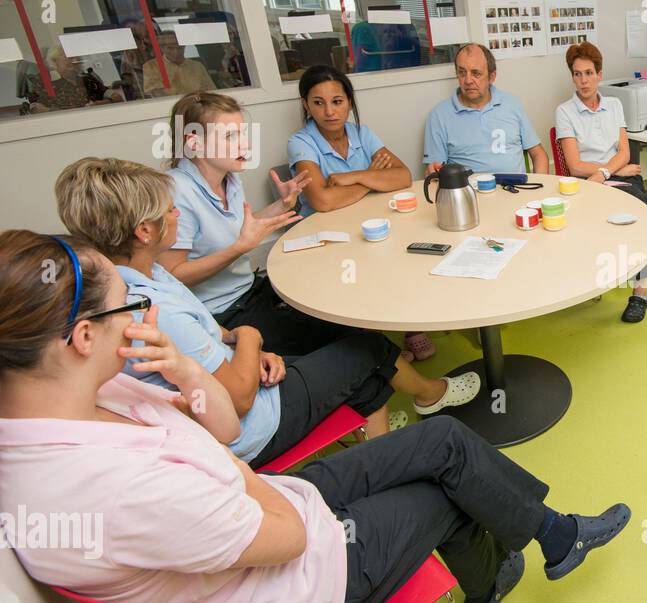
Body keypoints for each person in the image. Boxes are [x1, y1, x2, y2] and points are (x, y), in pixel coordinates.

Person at [0, 230, 632, 603]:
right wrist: (230, 467)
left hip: (274, 504)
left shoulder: (101, 396)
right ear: (84, 336)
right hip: (295, 592)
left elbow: (221, 431)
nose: (146, 318)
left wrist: (189, 373)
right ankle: (495, 576)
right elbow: (289, 537)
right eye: (133, 305)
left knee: (441, 437)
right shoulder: (101, 487)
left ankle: (549, 540)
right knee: (445, 491)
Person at [54, 157, 482, 468]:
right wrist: (251, 339)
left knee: (361, 369)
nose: (177, 214)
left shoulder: (141, 275)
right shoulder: (151, 309)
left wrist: (237, 345)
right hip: (256, 426)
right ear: (144, 231)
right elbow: (236, 401)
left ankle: (382, 454)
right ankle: (423, 403)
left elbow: (208, 341)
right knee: (366, 349)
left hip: (246, 379)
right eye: (168, 211)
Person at [157, 91, 360, 355]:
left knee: (339, 307)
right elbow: (173, 276)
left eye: (243, 133)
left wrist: (282, 204)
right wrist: (239, 249)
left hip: (251, 289)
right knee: (349, 338)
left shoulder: (228, 178)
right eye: (230, 136)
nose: (245, 145)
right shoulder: (176, 191)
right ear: (194, 143)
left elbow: (243, 229)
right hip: (220, 315)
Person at [287, 65, 435, 363]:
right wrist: (369, 178)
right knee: (356, 275)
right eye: (318, 103)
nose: (329, 111)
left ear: (349, 103)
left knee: (409, 251)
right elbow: (323, 201)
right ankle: (377, 351)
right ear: (306, 105)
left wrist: (352, 177)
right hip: (324, 235)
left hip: (368, 222)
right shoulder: (300, 143)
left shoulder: (361, 133)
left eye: (337, 101)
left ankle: (410, 326)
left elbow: (403, 176)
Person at [554, 42, 647, 322]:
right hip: (589, 182)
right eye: (577, 74)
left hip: (612, 176)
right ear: (572, 76)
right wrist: (607, 173)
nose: (583, 80)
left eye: (588, 73)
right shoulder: (565, 112)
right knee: (636, 211)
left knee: (635, 211)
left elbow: (625, 152)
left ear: (599, 74)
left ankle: (641, 295)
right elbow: (575, 165)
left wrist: (605, 172)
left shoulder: (614, 104)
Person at [423, 43, 550, 176]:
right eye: (462, 72)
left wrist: (539, 188)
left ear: (492, 77)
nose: (468, 80)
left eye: (476, 73)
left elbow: (539, 154)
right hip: (470, 193)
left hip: (516, 190)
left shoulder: (511, 104)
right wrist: (433, 171)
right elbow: (435, 170)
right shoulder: (439, 115)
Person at [27, 45, 122, 113]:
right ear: (55, 60)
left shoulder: (87, 78)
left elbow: (117, 97)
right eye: (68, 57)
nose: (74, 60)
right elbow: (34, 108)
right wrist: (59, 112)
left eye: (77, 57)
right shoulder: (44, 80)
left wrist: (104, 103)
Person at [143, 30, 216, 98]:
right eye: (170, 48)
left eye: (179, 48)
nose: (176, 52)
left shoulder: (197, 66)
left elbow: (211, 92)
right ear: (162, 48)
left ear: (184, 46)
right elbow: (152, 94)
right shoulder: (151, 66)